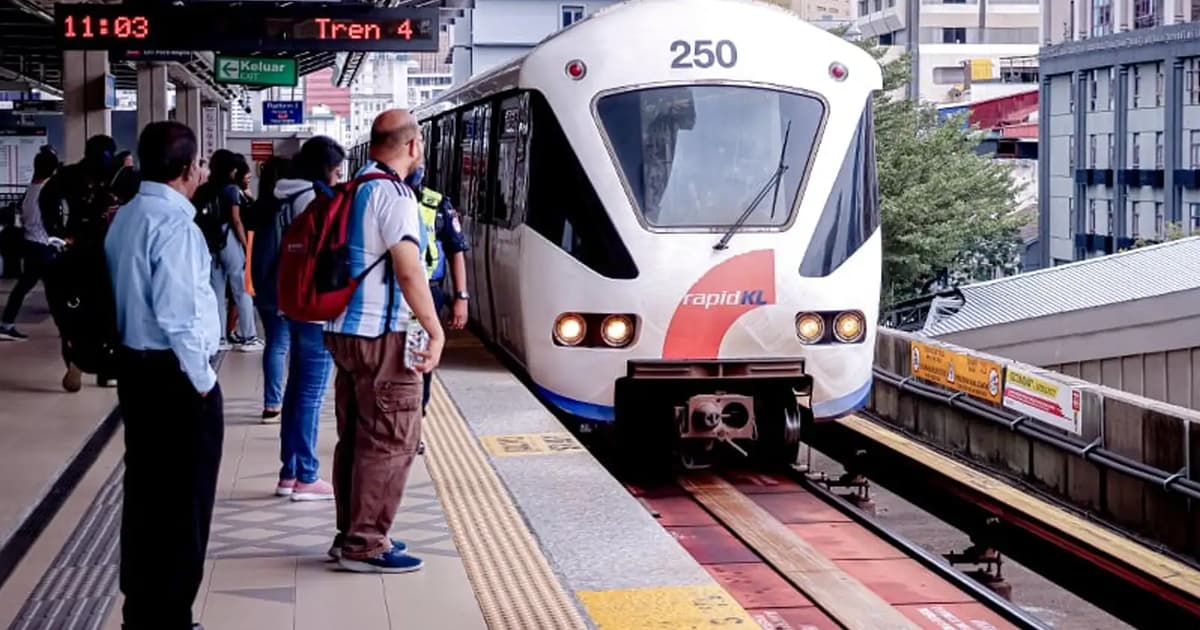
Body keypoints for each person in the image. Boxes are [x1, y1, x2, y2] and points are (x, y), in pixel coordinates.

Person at [104, 121, 221, 630]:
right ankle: (171, 617)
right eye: (200, 164)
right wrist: (204, 382)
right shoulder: (175, 226)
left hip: (136, 370)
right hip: (175, 379)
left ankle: (143, 611)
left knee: (147, 495)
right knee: (184, 502)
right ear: (188, 169)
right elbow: (180, 317)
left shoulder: (127, 216)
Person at [325, 109, 444, 572]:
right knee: (392, 440)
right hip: (382, 335)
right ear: (411, 146)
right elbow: (409, 269)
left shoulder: (354, 187)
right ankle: (366, 543)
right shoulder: (395, 195)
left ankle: (350, 533)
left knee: (357, 437)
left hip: (343, 331)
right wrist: (434, 329)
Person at [255, 137, 343, 500]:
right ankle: (306, 475)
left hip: (287, 300)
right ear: (325, 169)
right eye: (337, 170)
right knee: (310, 393)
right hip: (312, 308)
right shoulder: (312, 199)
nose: (339, 177)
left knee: (295, 390)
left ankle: (289, 472)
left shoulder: (279, 194)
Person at [39, 134, 123, 391]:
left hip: (78, 252)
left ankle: (80, 359)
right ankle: (102, 368)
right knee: (103, 313)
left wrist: (59, 233)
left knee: (77, 313)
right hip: (97, 253)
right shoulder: (108, 177)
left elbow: (47, 201)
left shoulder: (70, 175)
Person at [405, 164, 470, 415]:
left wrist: (461, 297)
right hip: (393, 291)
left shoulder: (436, 204)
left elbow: (456, 250)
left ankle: (417, 412)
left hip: (428, 292)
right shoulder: (384, 197)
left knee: (420, 356)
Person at [195, 150, 262, 352]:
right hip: (228, 240)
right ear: (231, 170)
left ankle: (220, 339)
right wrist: (246, 245)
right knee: (241, 289)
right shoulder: (231, 189)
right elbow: (236, 220)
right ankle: (249, 337)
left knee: (216, 292)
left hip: (210, 243)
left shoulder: (204, 189)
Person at [0, 148, 60, 341]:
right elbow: (51, 221)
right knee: (54, 289)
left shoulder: (31, 190)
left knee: (32, 287)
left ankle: (6, 324)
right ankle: (6, 324)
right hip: (41, 246)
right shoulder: (45, 192)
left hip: (32, 245)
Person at [250, 156, 292, 422]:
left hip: (262, 285)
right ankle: (273, 402)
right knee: (280, 344)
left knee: (274, 343)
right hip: (280, 288)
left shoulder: (258, 208)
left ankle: (273, 401)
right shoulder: (283, 210)